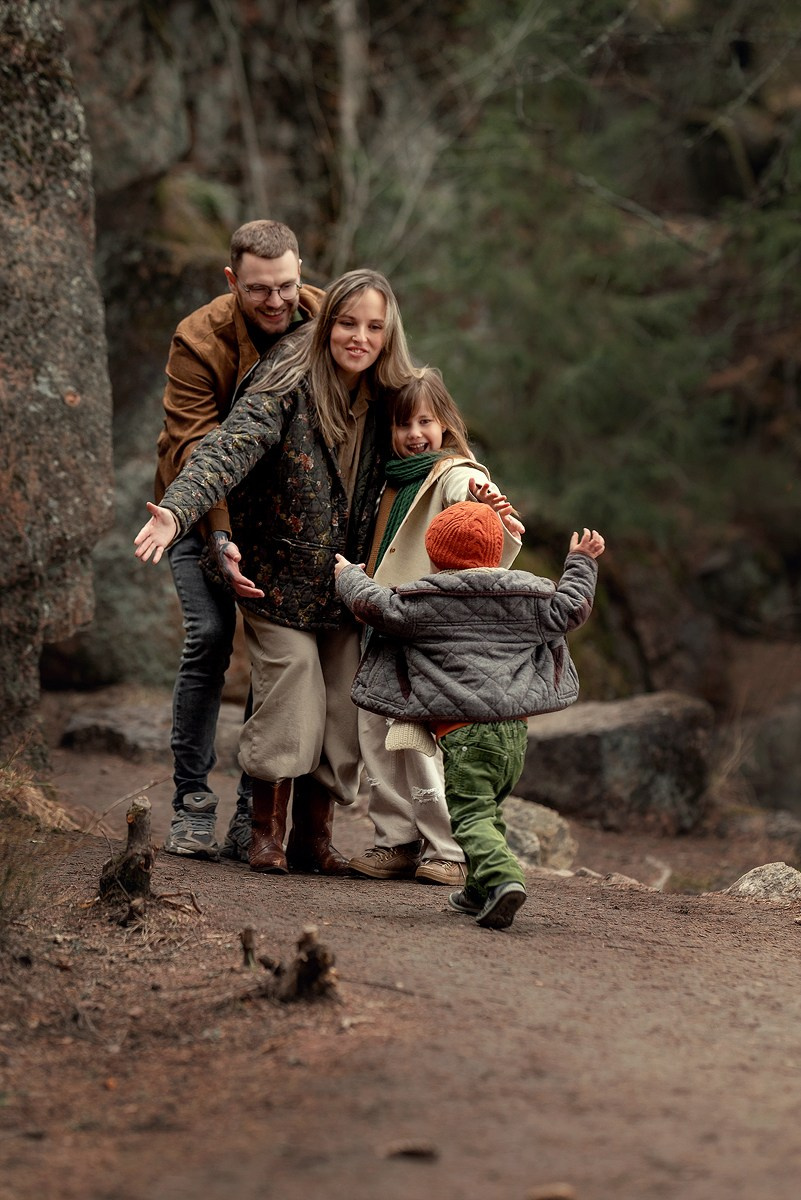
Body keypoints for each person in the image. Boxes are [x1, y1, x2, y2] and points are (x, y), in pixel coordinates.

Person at [135, 268, 420, 876]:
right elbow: (227, 446)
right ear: (326, 327)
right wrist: (179, 512)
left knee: (344, 704)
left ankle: (313, 840)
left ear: (388, 333)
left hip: (348, 586)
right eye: (346, 323)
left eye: (373, 326)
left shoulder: (395, 395)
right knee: (292, 685)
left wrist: (479, 493)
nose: (359, 337)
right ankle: (262, 829)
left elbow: (442, 449)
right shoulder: (287, 381)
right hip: (278, 580)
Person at [334, 503, 605, 930]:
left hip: (465, 735)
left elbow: (375, 606)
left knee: (470, 816)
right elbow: (572, 607)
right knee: (488, 811)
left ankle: (503, 880)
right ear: (496, 555)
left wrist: (347, 574)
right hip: (514, 733)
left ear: (435, 556)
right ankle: (478, 890)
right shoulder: (528, 598)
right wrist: (582, 562)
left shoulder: (426, 601)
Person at [155, 219, 324, 863]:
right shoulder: (197, 340)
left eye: (287, 285)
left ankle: (258, 808)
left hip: (281, 521)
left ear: (301, 270)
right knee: (210, 638)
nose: (277, 301)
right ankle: (192, 802)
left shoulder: (327, 321)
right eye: (259, 290)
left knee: (275, 647)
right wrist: (219, 536)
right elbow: (198, 448)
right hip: (193, 509)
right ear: (233, 281)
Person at [348, 367, 525, 887]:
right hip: (382, 625)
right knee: (376, 734)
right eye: (403, 424)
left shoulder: (450, 472)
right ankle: (395, 841)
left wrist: (487, 504)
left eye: (425, 421)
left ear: (446, 423)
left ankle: (448, 849)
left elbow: (470, 493)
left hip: (427, 631)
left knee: (421, 737)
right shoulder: (387, 481)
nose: (414, 434)